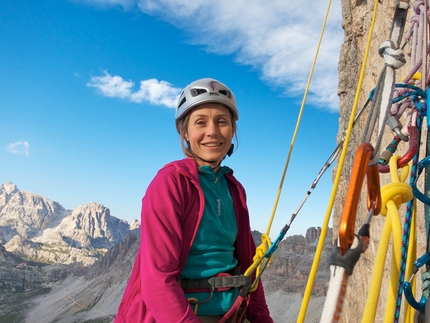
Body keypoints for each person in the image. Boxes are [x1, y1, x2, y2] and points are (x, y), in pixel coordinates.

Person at [115, 78, 274, 323]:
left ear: (232, 131)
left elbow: (249, 273)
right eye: (201, 122)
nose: (212, 131)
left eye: (222, 122)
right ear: (185, 132)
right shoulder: (170, 184)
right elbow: (157, 280)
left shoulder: (234, 188)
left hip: (232, 314)